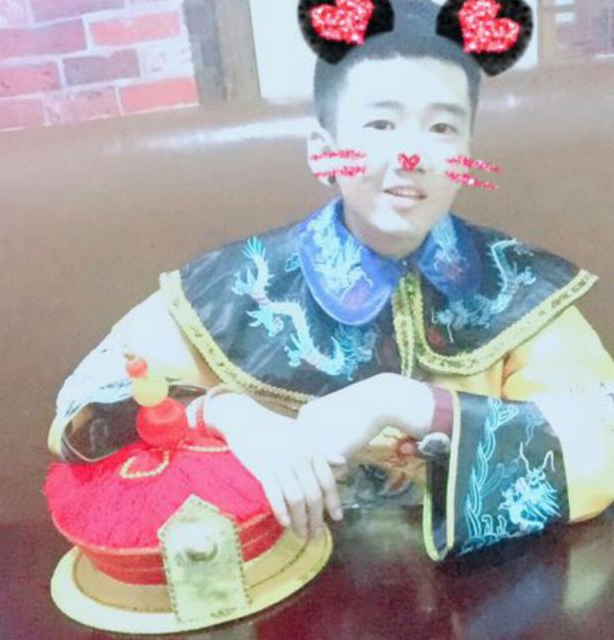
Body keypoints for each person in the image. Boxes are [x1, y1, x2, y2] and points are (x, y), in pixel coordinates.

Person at [48, 0, 614, 561]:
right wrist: (222, 412)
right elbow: (86, 408)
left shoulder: (517, 286)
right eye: (380, 124)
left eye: (443, 127)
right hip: (285, 573)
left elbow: (600, 439)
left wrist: (408, 403)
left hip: (480, 582)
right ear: (324, 153)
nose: (411, 155)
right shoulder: (237, 285)